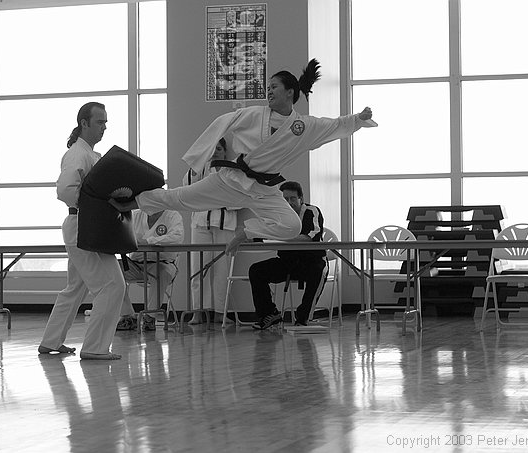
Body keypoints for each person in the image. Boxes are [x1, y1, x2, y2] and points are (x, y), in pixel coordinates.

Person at [109, 59, 374, 257]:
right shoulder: (254, 115)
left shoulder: (302, 127)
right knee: (180, 198)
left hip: (264, 190)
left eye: (274, 87)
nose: (268, 92)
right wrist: (200, 157)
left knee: (292, 225)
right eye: (267, 87)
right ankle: (130, 203)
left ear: (290, 92)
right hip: (231, 180)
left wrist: (357, 119)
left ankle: (246, 232)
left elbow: (333, 125)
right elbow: (221, 122)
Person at [38, 102, 125, 360]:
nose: (104, 127)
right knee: (112, 286)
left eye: (106, 122)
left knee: (75, 288)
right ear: (84, 123)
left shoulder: (90, 155)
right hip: (83, 226)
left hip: (88, 225)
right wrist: (97, 204)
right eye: (100, 122)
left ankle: (51, 340)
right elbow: (65, 191)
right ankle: (95, 347)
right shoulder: (78, 154)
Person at [248, 181, 327, 330]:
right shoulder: (277, 215)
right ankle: (269, 314)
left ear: (301, 199)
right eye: (285, 199)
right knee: (256, 270)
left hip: (313, 261)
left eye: (293, 198)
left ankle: (303, 318)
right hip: (288, 262)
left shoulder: (312, 211)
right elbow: (263, 232)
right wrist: (248, 237)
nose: (289, 203)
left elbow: (308, 237)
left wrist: (278, 236)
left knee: (317, 271)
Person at [183, 139, 238, 324]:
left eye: (219, 149)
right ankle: (198, 312)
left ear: (225, 152)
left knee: (222, 271)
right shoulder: (201, 169)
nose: (215, 152)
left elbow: (239, 196)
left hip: (225, 224)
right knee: (198, 268)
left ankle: (221, 313)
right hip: (200, 223)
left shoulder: (233, 170)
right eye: (212, 148)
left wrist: (213, 198)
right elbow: (188, 188)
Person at [116, 209, 184, 331]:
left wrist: (148, 241)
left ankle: (150, 317)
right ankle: (127, 316)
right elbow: (119, 233)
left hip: (162, 262)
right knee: (113, 271)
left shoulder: (173, 216)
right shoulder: (134, 215)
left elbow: (177, 237)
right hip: (136, 264)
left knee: (162, 272)